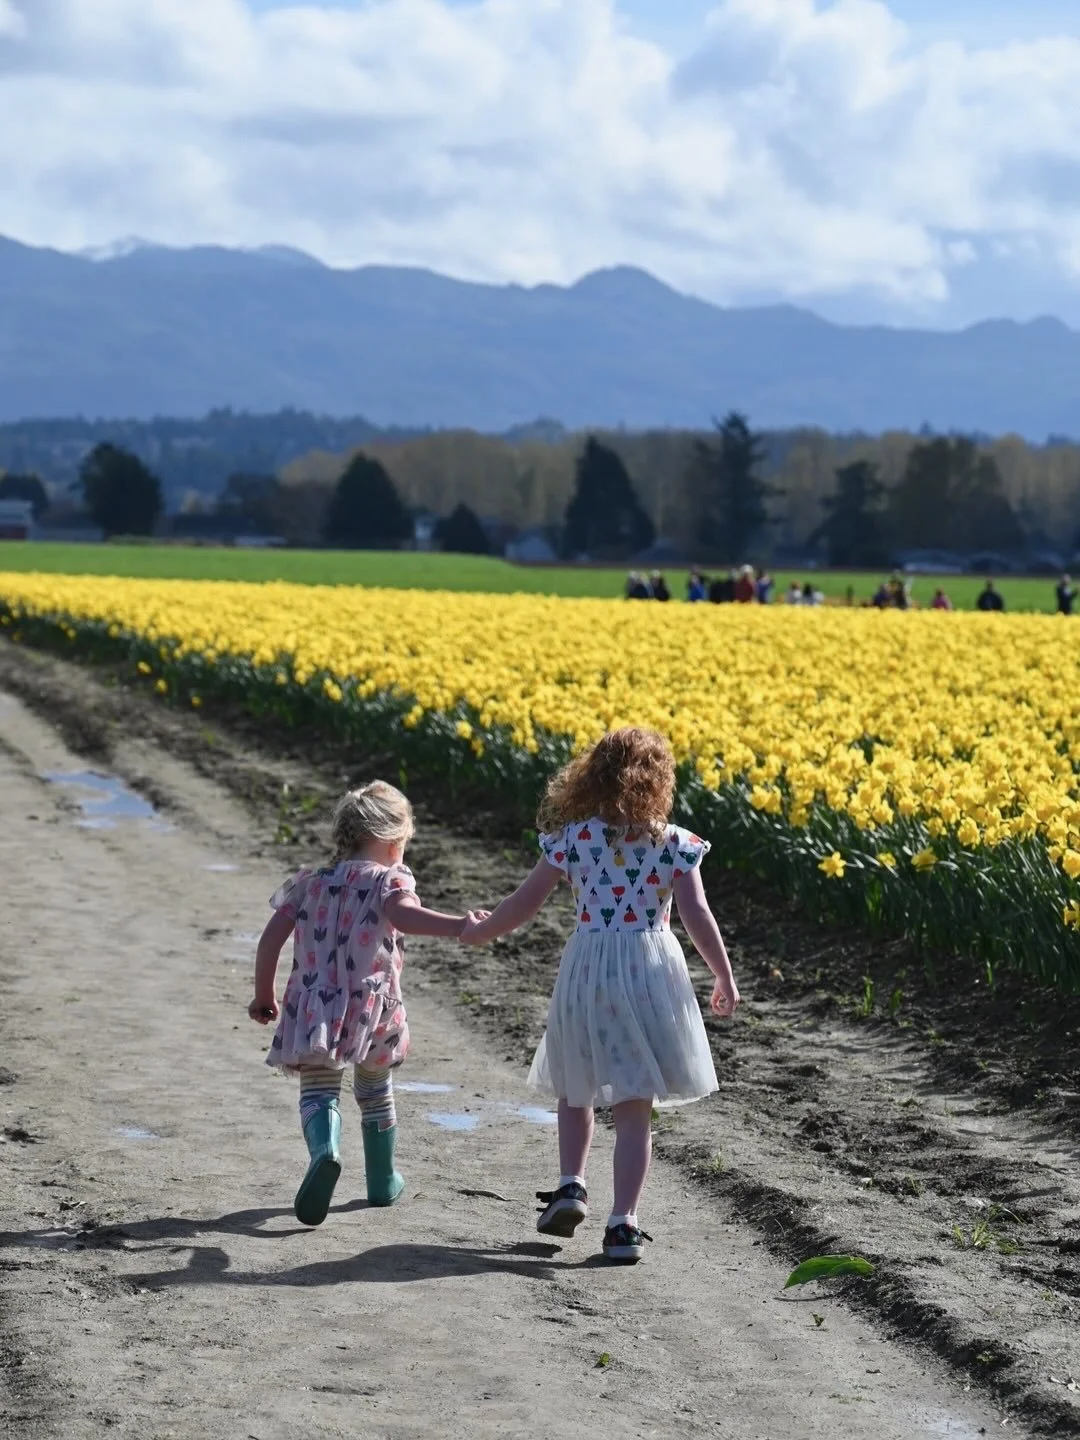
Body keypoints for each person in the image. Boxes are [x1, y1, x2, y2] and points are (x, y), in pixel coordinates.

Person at [461, 728, 739, 1265]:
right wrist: (723, 976)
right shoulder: (675, 844)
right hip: (651, 970)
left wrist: (481, 930)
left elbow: (524, 903)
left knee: (576, 1083)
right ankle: (623, 1226)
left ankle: (570, 1185)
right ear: (660, 781)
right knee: (635, 1108)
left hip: (589, 966)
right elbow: (696, 916)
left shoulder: (573, 839)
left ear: (593, 776)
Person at [250, 782, 469, 1225]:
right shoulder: (391, 879)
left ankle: (326, 1151)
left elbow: (270, 939)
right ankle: (382, 1180)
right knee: (374, 1089)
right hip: (375, 1007)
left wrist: (263, 993)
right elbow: (405, 916)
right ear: (392, 842)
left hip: (315, 1008)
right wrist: (458, 926)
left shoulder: (310, 883)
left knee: (318, 1088)